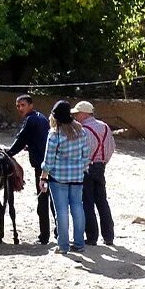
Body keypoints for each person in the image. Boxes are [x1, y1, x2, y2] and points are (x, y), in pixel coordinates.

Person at [41, 100, 95, 253]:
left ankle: (63, 246)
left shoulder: (54, 134)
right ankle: (79, 244)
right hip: (77, 177)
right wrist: (81, 168)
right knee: (78, 208)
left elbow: (49, 160)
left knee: (62, 212)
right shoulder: (81, 131)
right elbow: (86, 155)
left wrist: (43, 177)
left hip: (58, 178)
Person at [6, 94, 51, 244]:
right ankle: (57, 232)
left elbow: (21, 138)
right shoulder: (42, 117)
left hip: (42, 167)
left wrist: (9, 153)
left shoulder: (31, 119)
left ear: (30, 105)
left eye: (22, 105)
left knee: (42, 200)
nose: (20, 108)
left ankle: (44, 237)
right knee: (53, 200)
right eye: (18, 106)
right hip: (50, 164)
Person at [73, 100, 115, 246]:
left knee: (87, 203)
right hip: (100, 166)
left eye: (77, 114)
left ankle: (91, 237)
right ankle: (109, 236)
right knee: (102, 201)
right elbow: (111, 147)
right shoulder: (104, 127)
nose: (76, 117)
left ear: (84, 114)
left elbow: (83, 152)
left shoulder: (83, 130)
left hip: (87, 168)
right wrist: (103, 162)